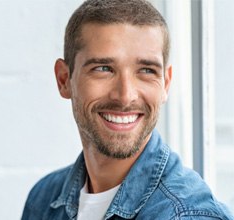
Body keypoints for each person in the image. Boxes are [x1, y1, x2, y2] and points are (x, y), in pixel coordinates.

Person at [21, 0, 233, 219]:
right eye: (104, 69)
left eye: (146, 71)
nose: (125, 96)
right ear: (64, 79)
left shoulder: (188, 215)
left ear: (165, 84)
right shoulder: (43, 200)